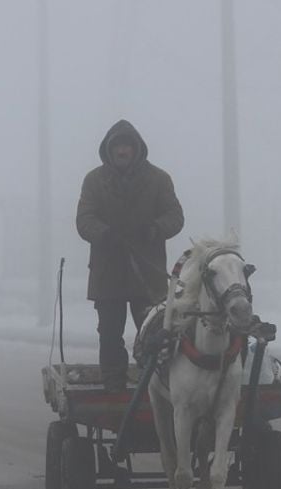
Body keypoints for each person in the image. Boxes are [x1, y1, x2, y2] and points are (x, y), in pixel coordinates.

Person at [76, 119, 184, 393]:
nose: (122, 151)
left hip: (147, 274)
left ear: (136, 149)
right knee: (109, 335)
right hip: (107, 273)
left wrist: (153, 230)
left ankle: (155, 385)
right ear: (109, 151)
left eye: (126, 146)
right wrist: (105, 234)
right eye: (117, 147)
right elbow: (84, 219)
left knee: (153, 335)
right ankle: (114, 388)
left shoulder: (159, 180)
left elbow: (175, 217)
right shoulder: (94, 181)